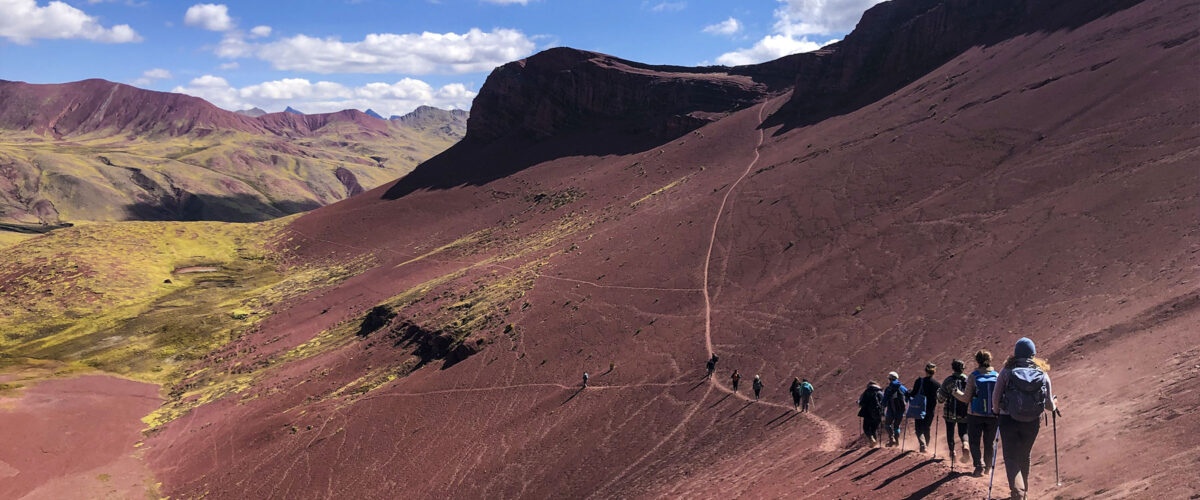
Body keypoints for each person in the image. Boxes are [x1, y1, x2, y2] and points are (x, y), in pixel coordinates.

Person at [994, 338, 1057, 500]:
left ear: (1015, 353)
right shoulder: (1042, 373)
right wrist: (1055, 405)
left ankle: (1018, 492)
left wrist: (996, 411)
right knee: (1024, 454)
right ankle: (1024, 491)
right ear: (1033, 354)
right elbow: (1049, 405)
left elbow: (996, 397)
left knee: (1010, 456)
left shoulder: (1007, 371)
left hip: (1008, 419)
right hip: (1032, 421)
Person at [953, 349, 1000, 477]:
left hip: (975, 415)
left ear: (977, 361)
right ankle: (988, 467)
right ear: (990, 360)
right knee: (989, 443)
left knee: (974, 441)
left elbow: (966, 398)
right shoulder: (997, 375)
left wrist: (955, 392)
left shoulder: (973, 376)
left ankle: (979, 466)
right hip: (993, 415)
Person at [937, 359, 971, 464]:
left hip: (949, 412)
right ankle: (965, 444)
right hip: (963, 411)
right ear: (963, 368)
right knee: (963, 431)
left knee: (950, 432)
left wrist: (938, 393)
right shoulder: (968, 380)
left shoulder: (948, 380)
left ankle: (952, 453)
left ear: (953, 368)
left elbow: (941, 399)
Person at [910, 363, 942, 453]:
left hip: (919, 408)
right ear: (934, 372)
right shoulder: (937, 384)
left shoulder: (919, 381)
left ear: (925, 370)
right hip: (930, 409)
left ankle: (922, 444)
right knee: (926, 428)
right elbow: (940, 398)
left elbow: (913, 394)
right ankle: (926, 446)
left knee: (918, 428)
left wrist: (908, 393)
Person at [883, 371, 909, 447]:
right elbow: (908, 397)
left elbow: (885, 400)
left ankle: (891, 439)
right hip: (900, 410)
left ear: (890, 379)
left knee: (887, 424)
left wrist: (883, 406)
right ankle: (897, 441)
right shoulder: (903, 388)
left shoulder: (889, 388)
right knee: (896, 426)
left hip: (890, 410)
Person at [857, 380, 885, 447]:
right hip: (878, 413)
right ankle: (874, 443)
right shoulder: (881, 392)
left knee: (866, 428)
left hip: (868, 413)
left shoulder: (867, 392)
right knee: (874, 429)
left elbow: (862, 403)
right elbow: (884, 402)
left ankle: (872, 439)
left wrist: (859, 404)